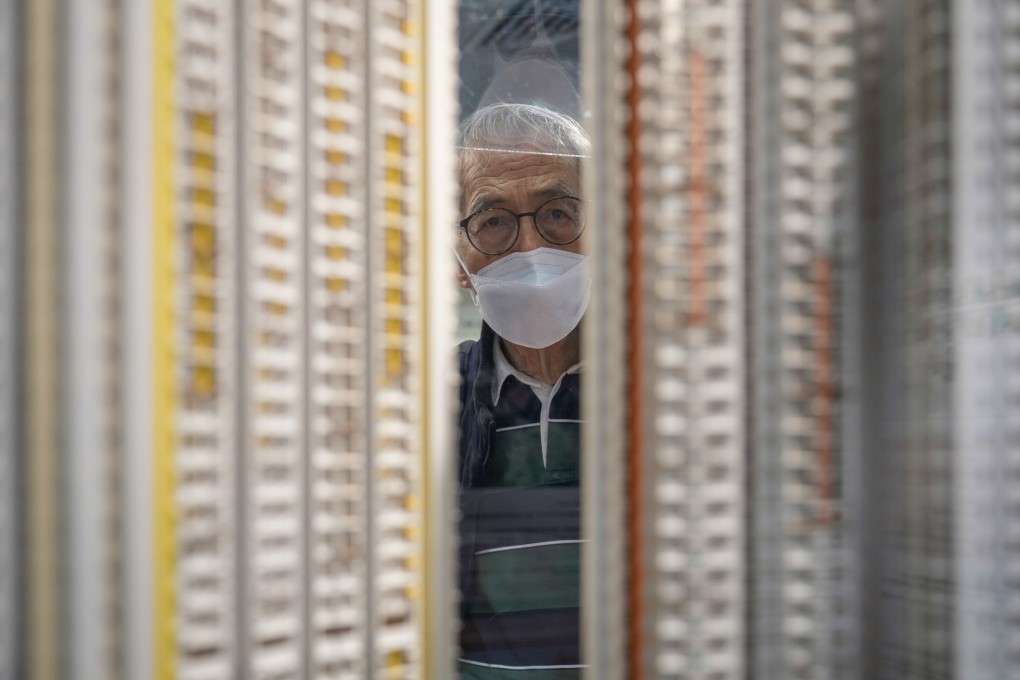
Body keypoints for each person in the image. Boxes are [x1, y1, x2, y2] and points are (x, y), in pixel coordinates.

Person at [454, 102, 590, 678]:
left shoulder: (660, 391)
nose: (532, 250)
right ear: (457, 261)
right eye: (493, 222)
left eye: (558, 213)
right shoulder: (426, 404)